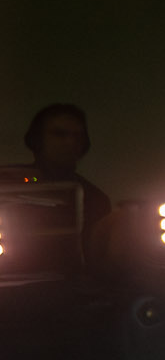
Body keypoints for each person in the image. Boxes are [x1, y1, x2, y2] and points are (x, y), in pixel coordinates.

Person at [3, 103, 113, 270]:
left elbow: (96, 263)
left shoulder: (95, 199)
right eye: (59, 134)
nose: (70, 142)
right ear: (37, 140)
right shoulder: (9, 184)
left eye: (77, 136)